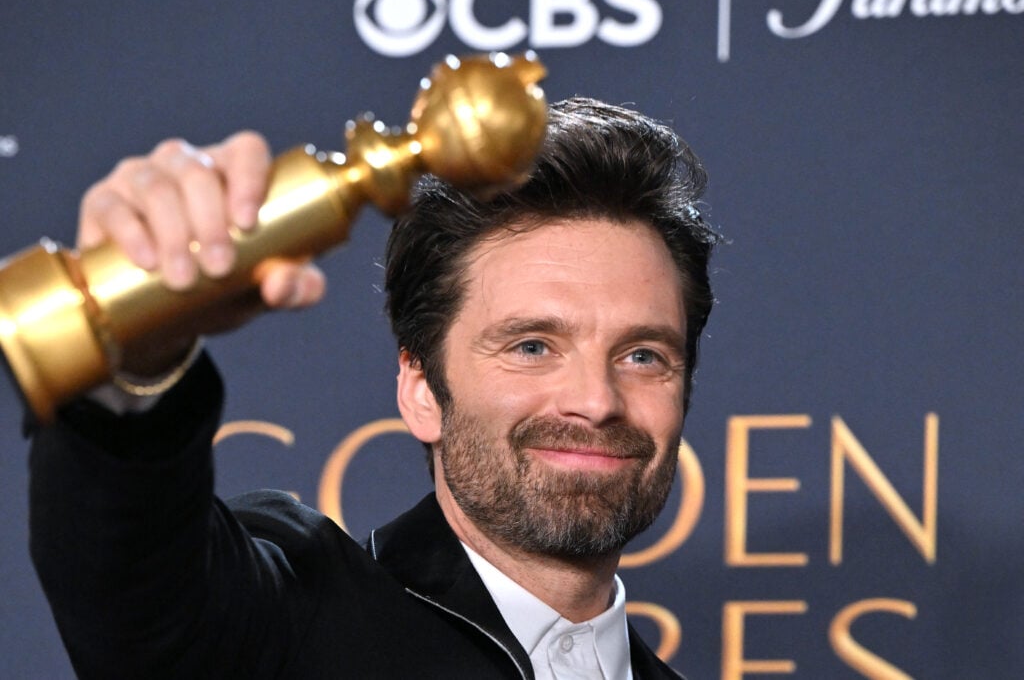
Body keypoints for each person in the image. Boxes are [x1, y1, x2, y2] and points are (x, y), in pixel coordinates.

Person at [28, 97, 718, 679]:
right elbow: (137, 588)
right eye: (532, 346)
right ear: (420, 388)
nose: (595, 401)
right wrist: (135, 348)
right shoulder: (288, 620)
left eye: (642, 354)